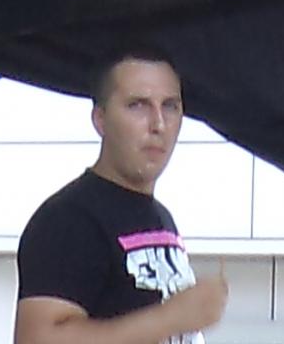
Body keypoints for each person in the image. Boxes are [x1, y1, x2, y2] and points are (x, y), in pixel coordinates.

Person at [12, 49, 230, 344]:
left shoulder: (160, 218)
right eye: (138, 105)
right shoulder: (68, 219)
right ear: (100, 119)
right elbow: (38, 340)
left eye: (170, 106)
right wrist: (169, 317)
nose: (158, 124)